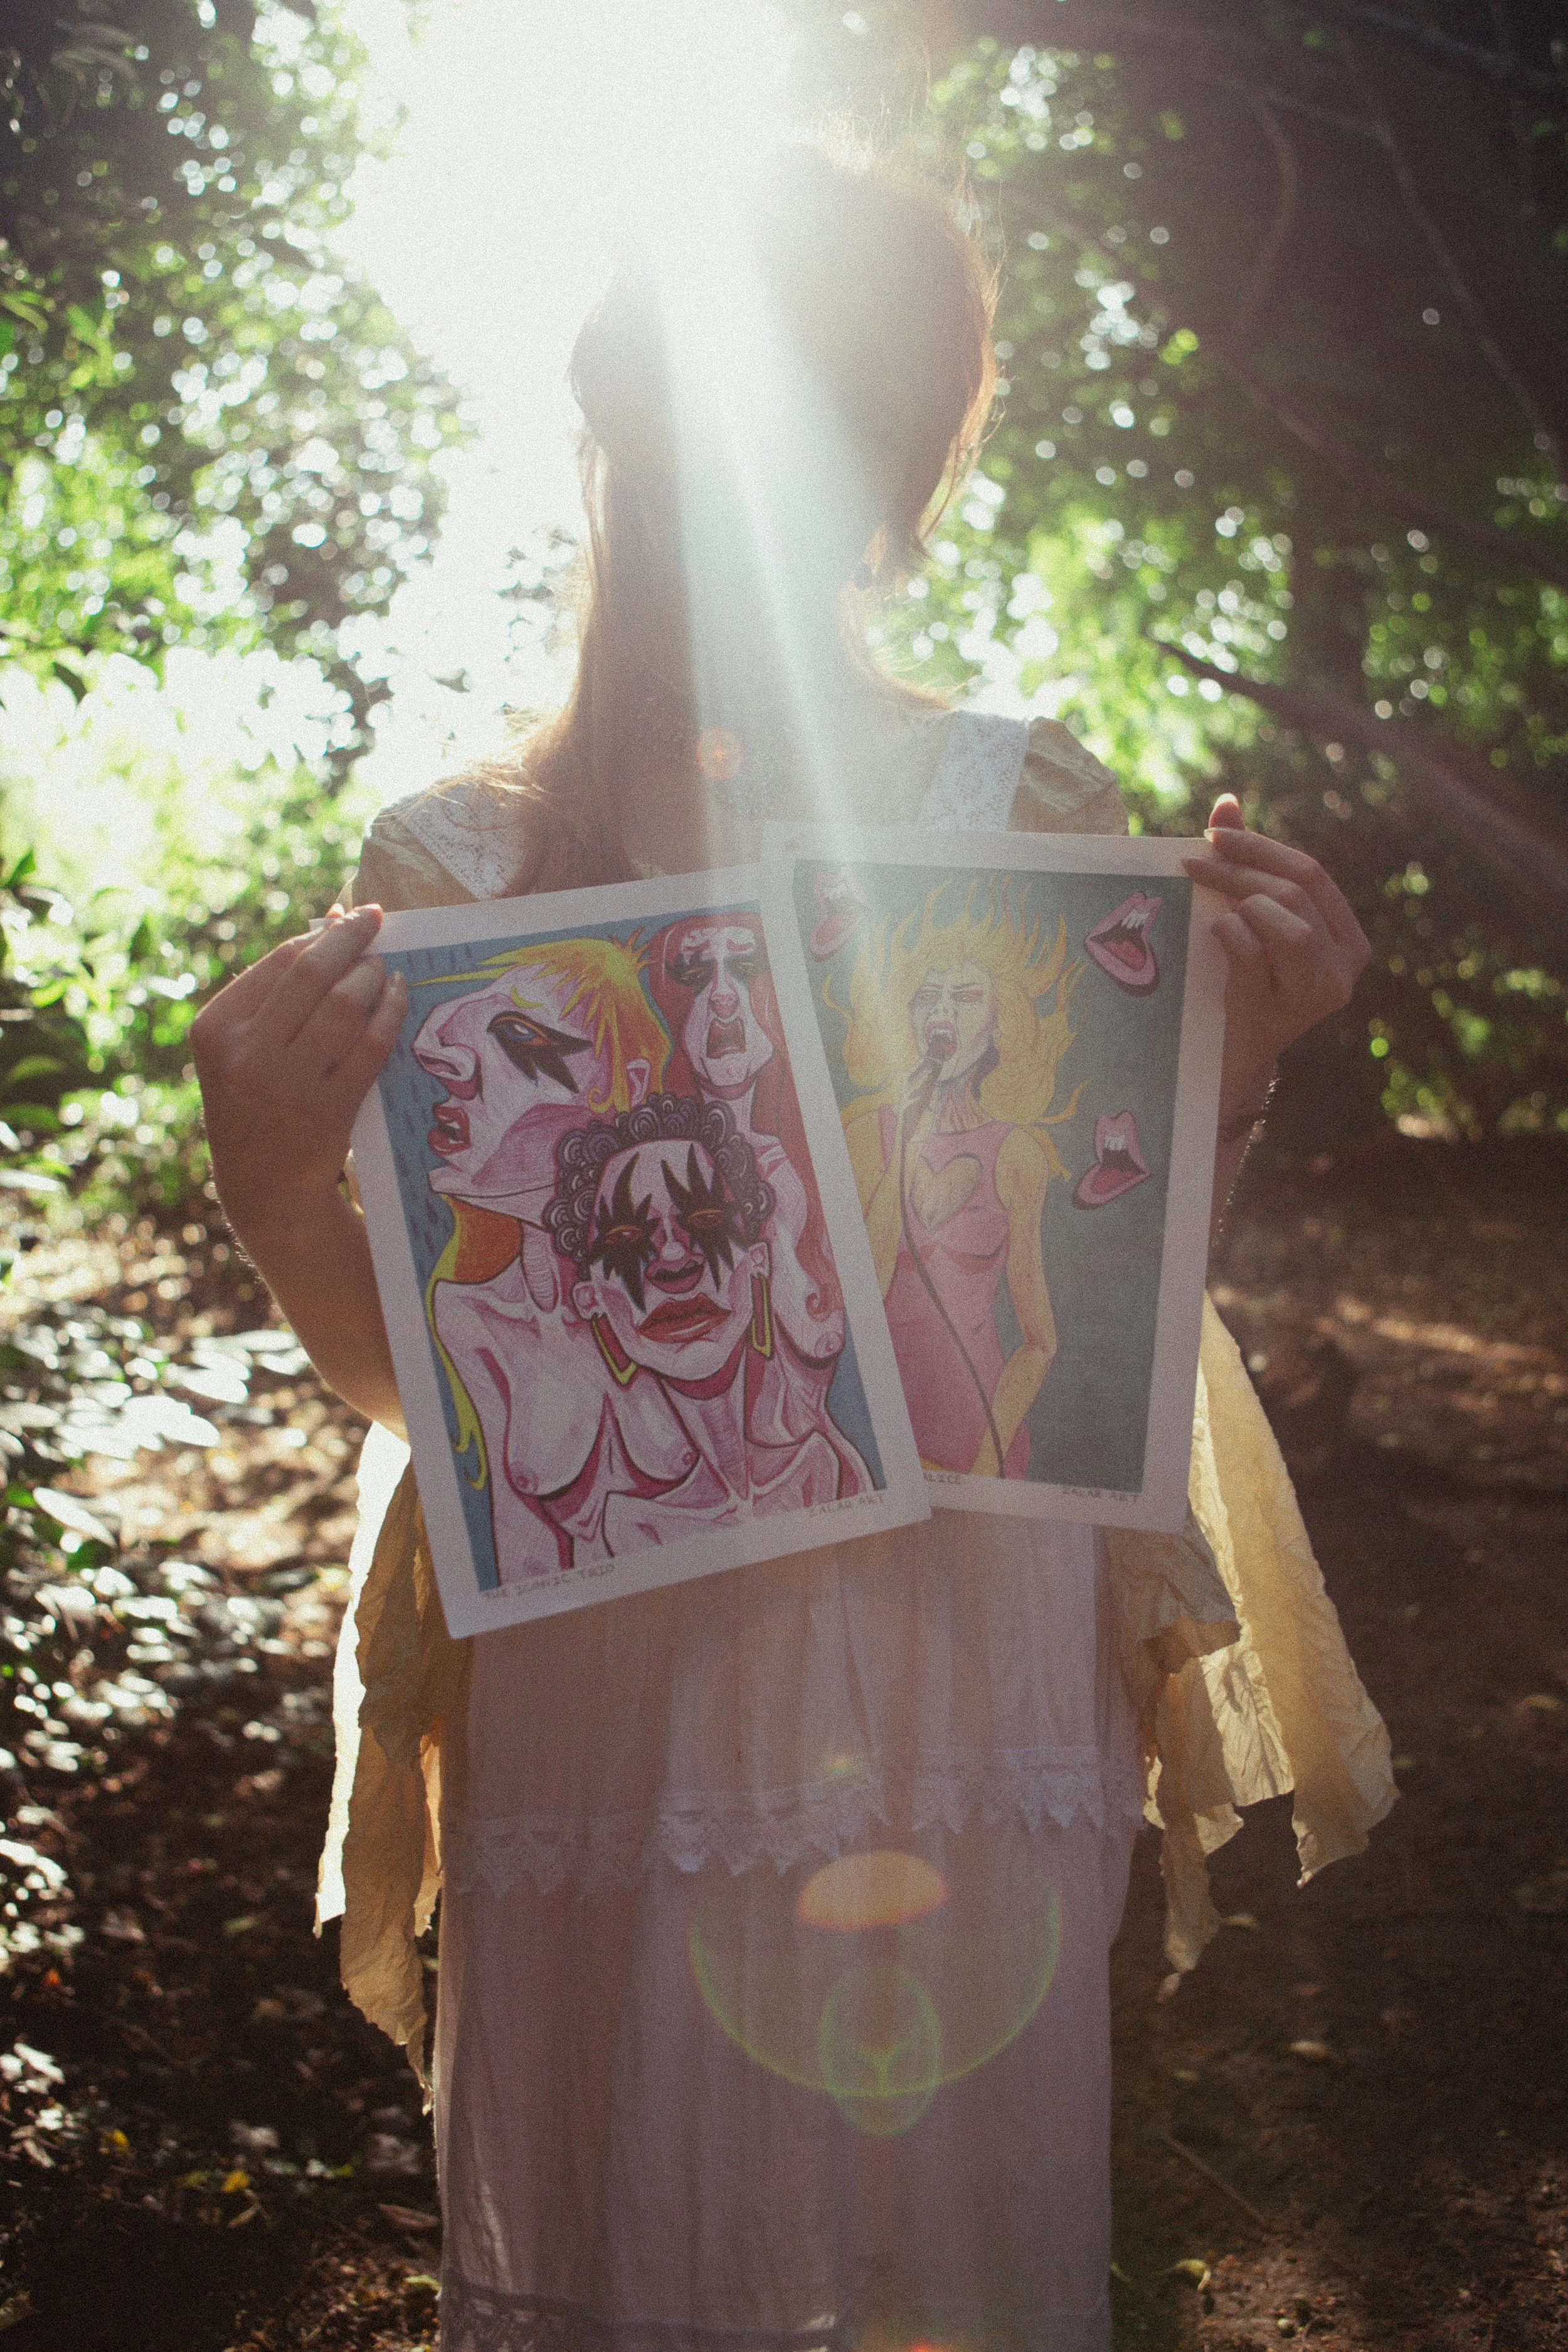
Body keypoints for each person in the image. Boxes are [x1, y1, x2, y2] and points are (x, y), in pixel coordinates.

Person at [193, 143, 1393, 2352]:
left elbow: (1094, 1325)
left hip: (954, 1647)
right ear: (625, 439)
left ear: (904, 482)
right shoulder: (454, 865)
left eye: (852, 417)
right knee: (628, 2236)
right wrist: (275, 1186)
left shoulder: (1033, 808)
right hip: (614, 1679)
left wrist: (1240, 1064)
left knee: (932, 2260)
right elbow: (426, 1405)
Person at [837, 882, 1083, 1479]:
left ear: (1001, 1023)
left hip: (978, 1443)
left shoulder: (1016, 1154)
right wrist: (909, 1140)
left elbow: (1040, 1340)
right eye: (928, 997)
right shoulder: (870, 1133)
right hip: (864, 1435)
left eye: (967, 997)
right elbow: (853, 1297)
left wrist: (986, 1461)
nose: (943, 1013)